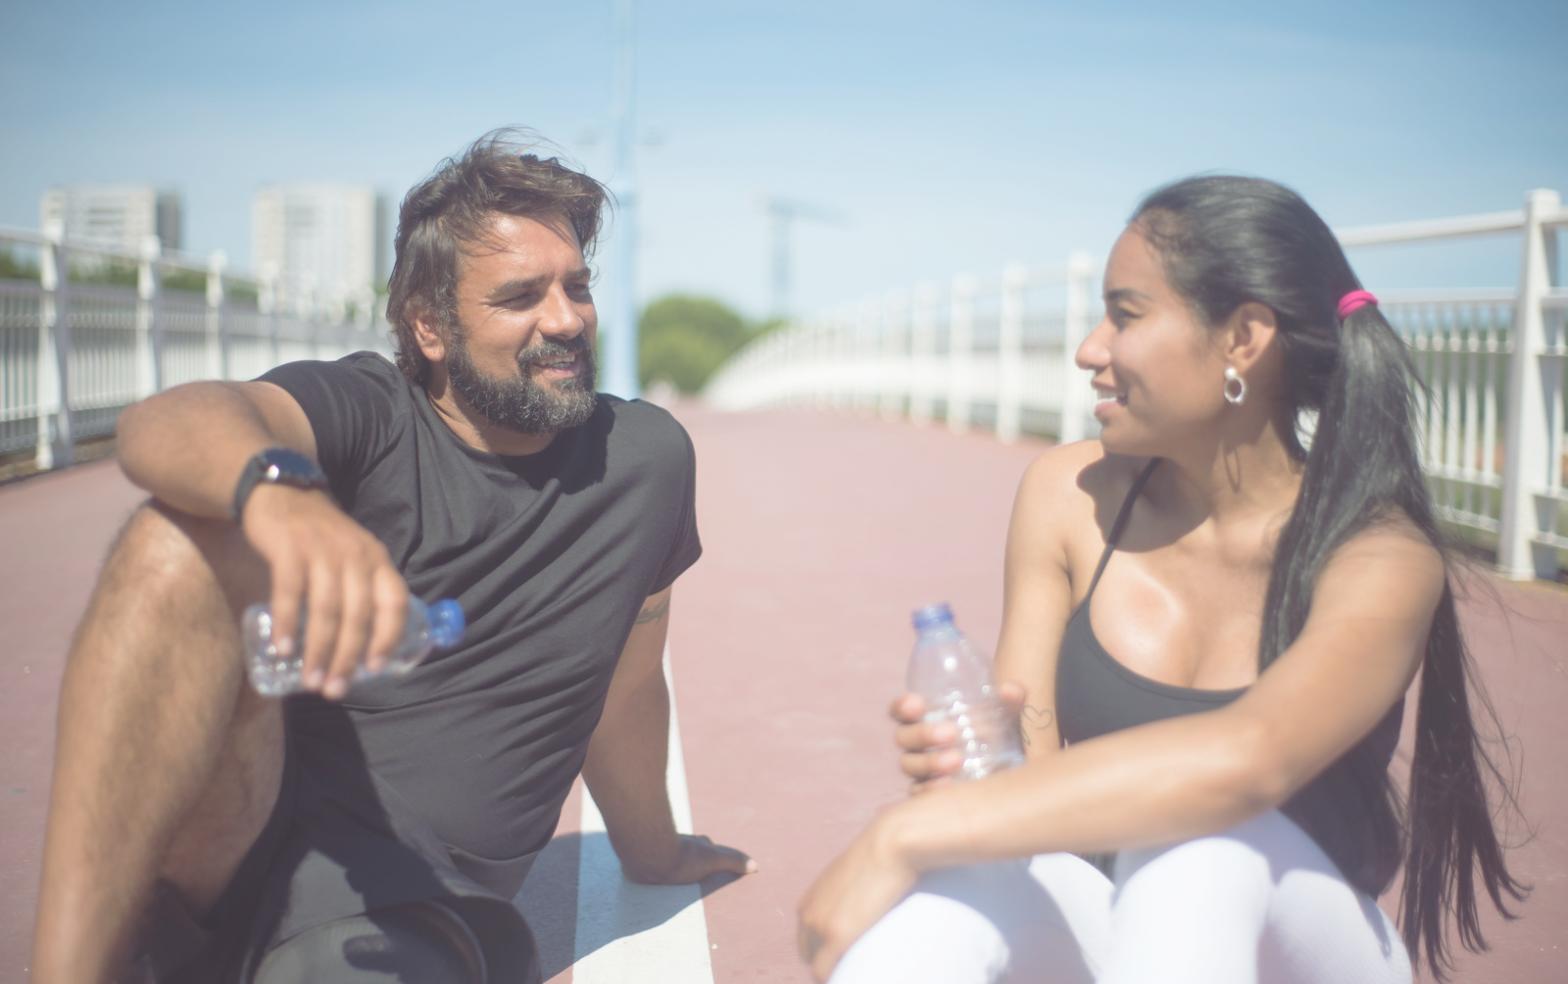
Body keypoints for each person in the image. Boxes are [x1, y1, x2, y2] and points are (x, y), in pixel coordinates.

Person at [31, 130, 754, 984]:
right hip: (236, 832)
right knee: (172, 541)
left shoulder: (643, 460)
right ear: (430, 326)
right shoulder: (372, 412)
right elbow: (166, 421)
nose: (565, 320)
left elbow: (625, 685)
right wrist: (280, 493)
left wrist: (655, 850)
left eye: (577, 287)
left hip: (402, 900)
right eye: (521, 296)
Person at [797, 175, 1528, 984]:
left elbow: (1249, 761)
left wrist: (902, 834)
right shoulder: (1068, 497)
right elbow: (1020, 788)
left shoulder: (1379, 553)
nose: (1090, 349)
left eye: (1127, 314)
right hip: (1121, 935)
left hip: (1299, 946)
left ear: (1243, 338)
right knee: (952, 898)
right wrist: (971, 763)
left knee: (1202, 850)